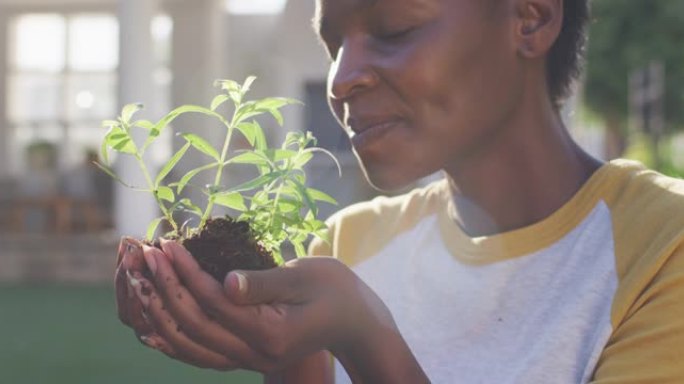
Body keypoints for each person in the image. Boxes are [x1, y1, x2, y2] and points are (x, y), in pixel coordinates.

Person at [116, 0, 684, 382]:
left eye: (394, 31)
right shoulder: (351, 242)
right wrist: (288, 357)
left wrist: (368, 340)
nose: (341, 79)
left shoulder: (662, 249)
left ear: (530, 19)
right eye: (332, 45)